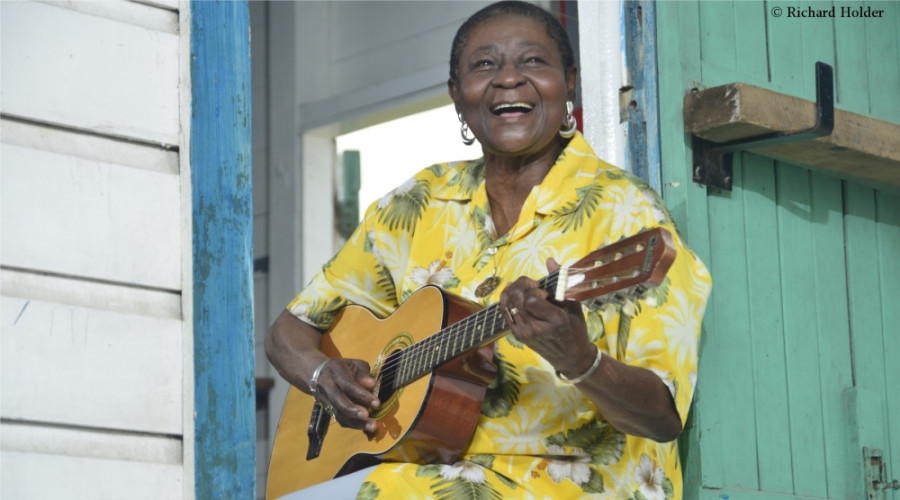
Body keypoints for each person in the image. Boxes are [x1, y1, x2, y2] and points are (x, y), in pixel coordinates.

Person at [265, 1, 712, 498]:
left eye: (533, 62)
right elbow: (289, 329)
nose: (508, 79)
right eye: (484, 66)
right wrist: (324, 372)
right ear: (458, 96)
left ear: (570, 82)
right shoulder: (421, 199)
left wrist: (580, 358)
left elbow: (661, 417)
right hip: (424, 473)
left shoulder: (626, 213)